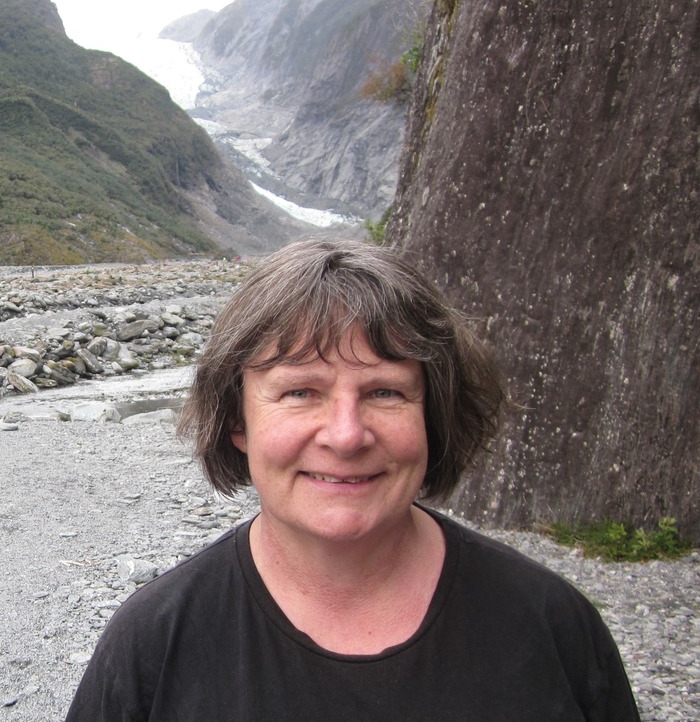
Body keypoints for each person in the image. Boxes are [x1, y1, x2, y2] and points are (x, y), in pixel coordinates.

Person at [66, 238, 641, 721]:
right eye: (300, 392)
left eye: (385, 391)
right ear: (238, 421)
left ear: (433, 414)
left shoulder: (552, 625)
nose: (346, 436)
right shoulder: (153, 645)